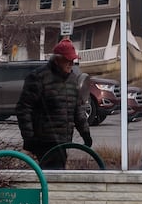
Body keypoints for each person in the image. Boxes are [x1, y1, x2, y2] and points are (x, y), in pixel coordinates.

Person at [16, 38, 91, 169]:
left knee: (57, 174)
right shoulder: (39, 77)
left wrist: (85, 133)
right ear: (57, 59)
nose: (71, 64)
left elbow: (77, 110)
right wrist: (29, 138)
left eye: (73, 60)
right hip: (44, 141)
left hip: (63, 141)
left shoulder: (72, 79)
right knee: (53, 175)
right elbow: (24, 109)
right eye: (68, 60)